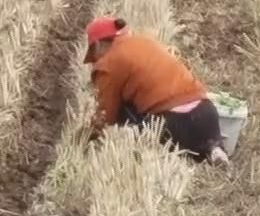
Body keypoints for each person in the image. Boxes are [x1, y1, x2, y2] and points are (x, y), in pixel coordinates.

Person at [83, 17, 228, 163]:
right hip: (207, 113)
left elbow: (106, 116)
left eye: (93, 56)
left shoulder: (108, 63)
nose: (95, 61)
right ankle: (214, 149)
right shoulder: (147, 42)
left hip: (173, 124)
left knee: (125, 112)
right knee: (200, 146)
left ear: (97, 45)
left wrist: (85, 138)